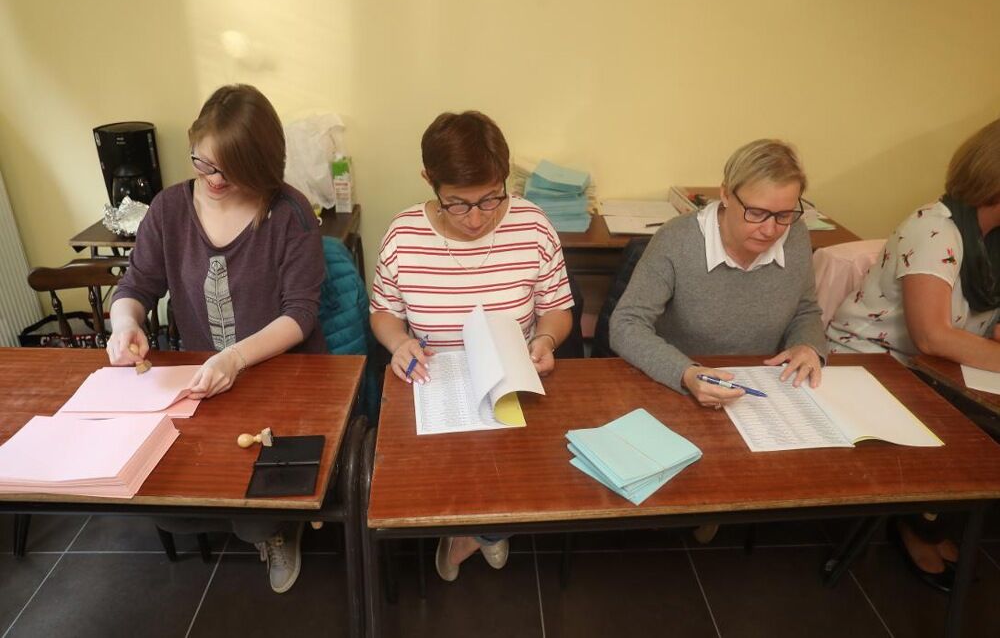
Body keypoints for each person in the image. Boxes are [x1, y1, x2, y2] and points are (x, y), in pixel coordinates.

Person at [107, 84, 326, 593]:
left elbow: (300, 315)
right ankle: (259, 522)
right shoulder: (169, 210)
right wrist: (125, 323)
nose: (215, 181)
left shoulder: (290, 213)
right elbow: (135, 286)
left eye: (232, 170)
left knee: (256, 512)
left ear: (261, 165)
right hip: (202, 384)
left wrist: (235, 358)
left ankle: (276, 531)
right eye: (204, 163)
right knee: (173, 508)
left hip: (276, 377)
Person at [370, 110, 573, 581]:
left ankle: (482, 531)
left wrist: (545, 339)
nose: (477, 219)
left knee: (518, 465)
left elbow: (558, 308)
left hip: (513, 380)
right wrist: (399, 343)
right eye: (458, 205)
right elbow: (383, 312)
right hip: (435, 382)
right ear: (429, 180)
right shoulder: (403, 234)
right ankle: (473, 528)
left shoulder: (532, 225)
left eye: (490, 199)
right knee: (445, 476)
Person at [827, 118, 1000, 591]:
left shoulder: (993, 240)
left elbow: (985, 322)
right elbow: (932, 337)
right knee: (968, 432)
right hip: (872, 363)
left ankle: (930, 517)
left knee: (975, 426)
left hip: (943, 370)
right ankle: (919, 522)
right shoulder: (934, 229)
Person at [610, 138, 827, 405]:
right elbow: (626, 324)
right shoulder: (677, 239)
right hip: (679, 390)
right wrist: (686, 373)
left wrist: (807, 345)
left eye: (783, 215)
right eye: (756, 213)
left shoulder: (796, 235)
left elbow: (805, 310)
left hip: (762, 389)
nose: (770, 230)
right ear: (725, 194)